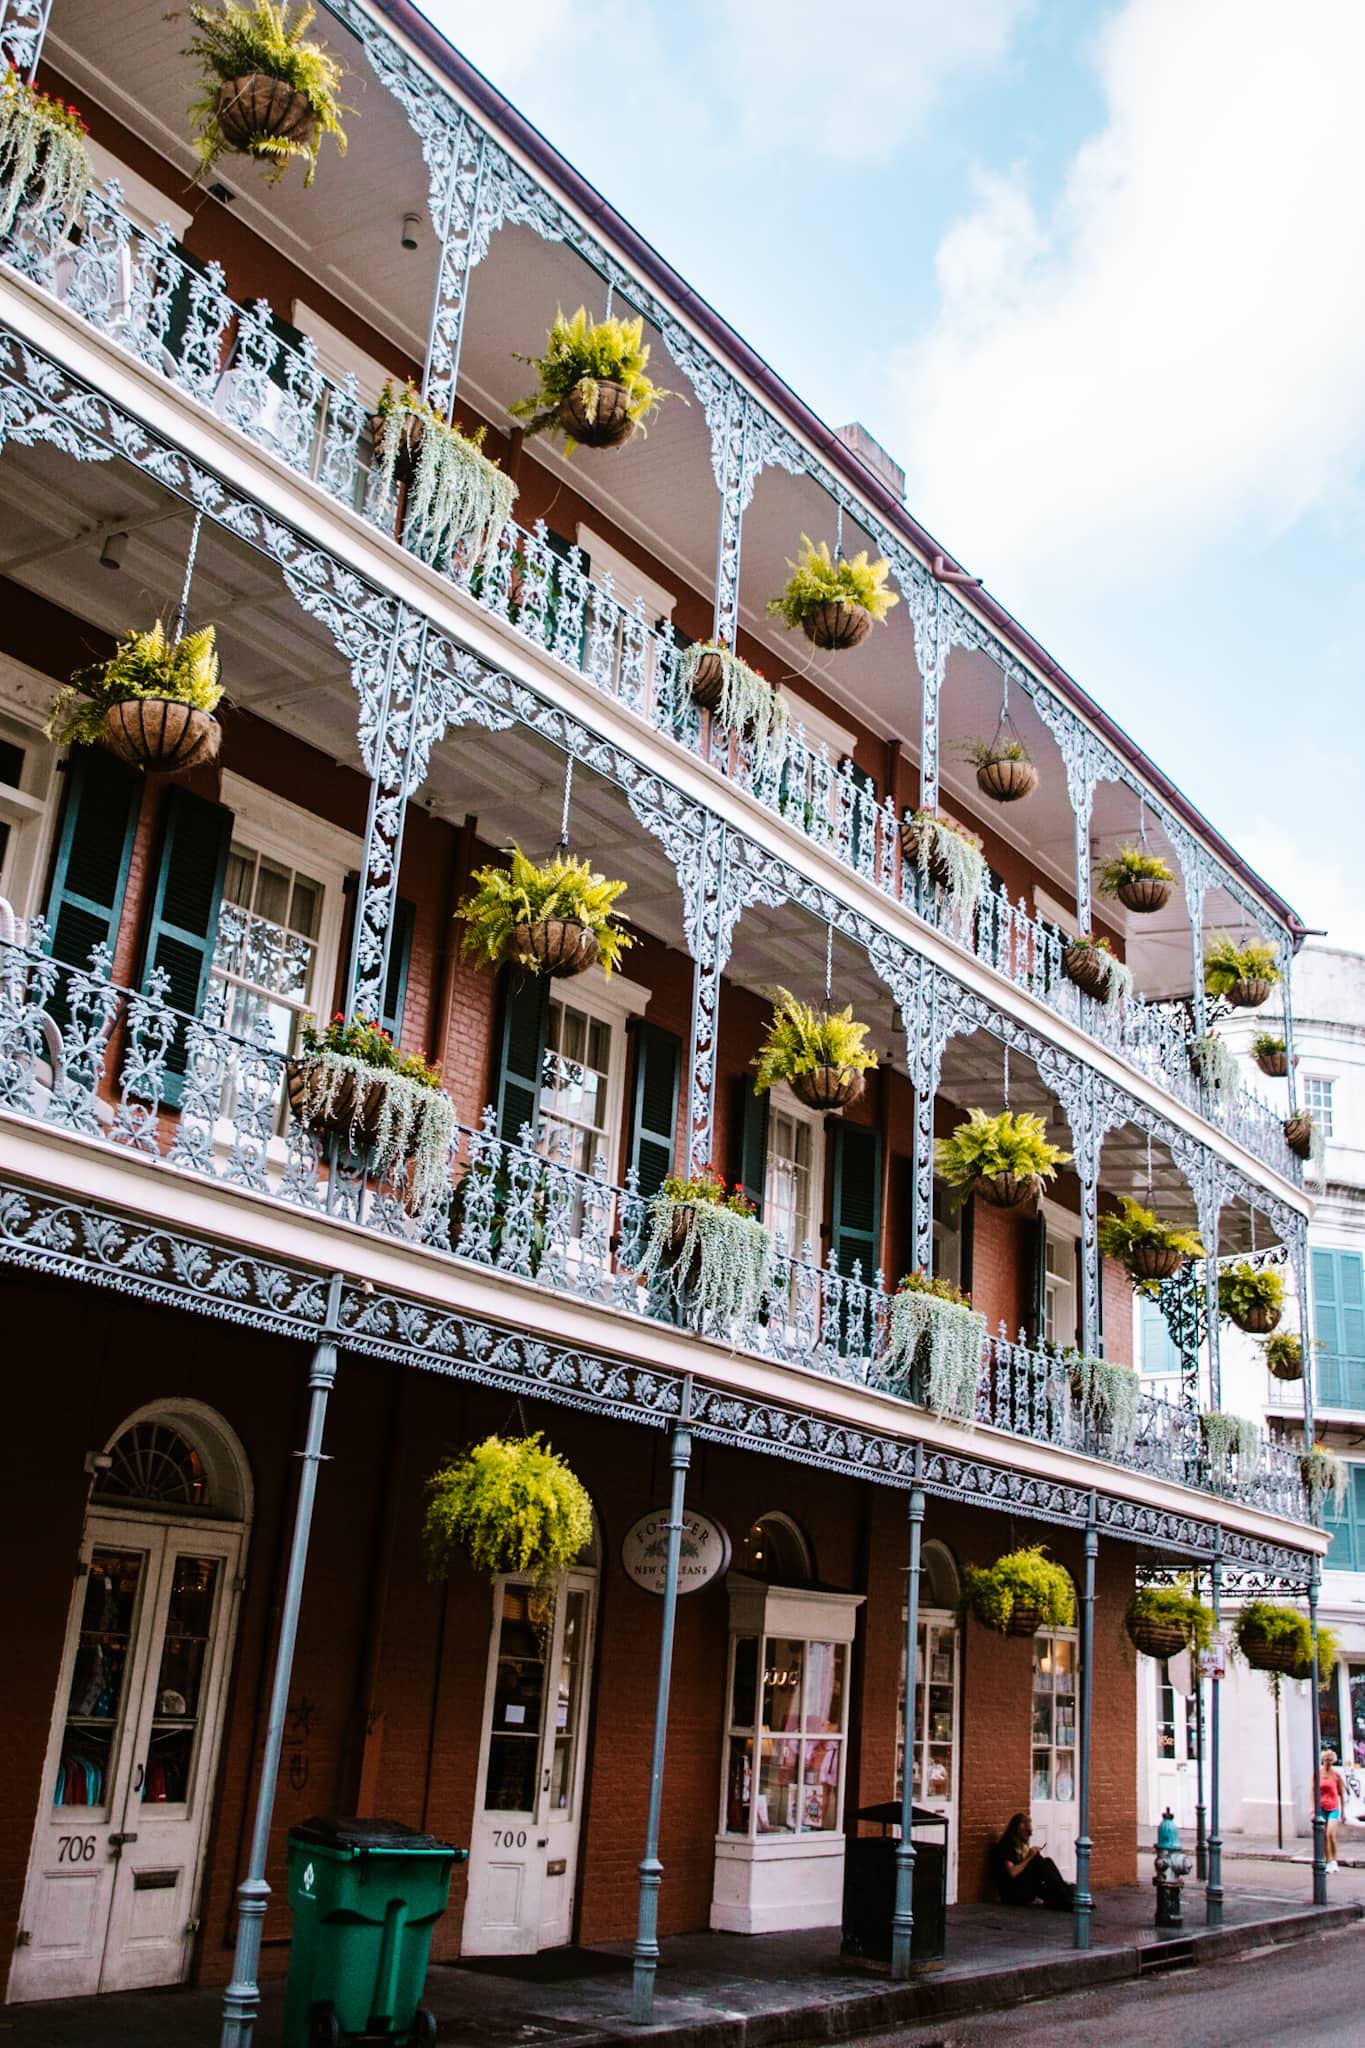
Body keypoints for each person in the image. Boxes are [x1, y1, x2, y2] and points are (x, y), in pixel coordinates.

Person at [990, 1812, 1075, 1910]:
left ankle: (1066, 1898)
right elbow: (1012, 1873)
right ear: (1018, 1830)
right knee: (1039, 1861)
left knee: (1047, 1866)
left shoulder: (1021, 1845)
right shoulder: (1007, 1845)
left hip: (1023, 1887)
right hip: (1012, 1894)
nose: (1028, 1837)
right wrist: (1030, 1857)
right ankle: (1066, 1898)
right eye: (1026, 1833)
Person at [1319, 1749, 1345, 1872]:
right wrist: (1313, 1807)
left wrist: (1343, 1811)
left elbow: (1341, 1794)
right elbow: (1314, 1791)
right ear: (1322, 1760)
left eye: (1330, 1760)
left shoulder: (1336, 1775)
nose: (1328, 1762)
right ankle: (1328, 1861)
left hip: (1333, 1807)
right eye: (1326, 1760)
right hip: (1322, 1807)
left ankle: (1334, 1860)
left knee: (1331, 1834)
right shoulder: (1318, 1774)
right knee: (1324, 1836)